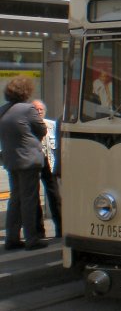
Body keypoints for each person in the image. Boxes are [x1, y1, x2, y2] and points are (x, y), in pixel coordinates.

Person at [0, 76, 48, 251]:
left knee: (15, 198)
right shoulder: (28, 109)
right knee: (29, 199)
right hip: (29, 159)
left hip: (11, 159)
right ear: (26, 92)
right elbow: (42, 129)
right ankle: (32, 239)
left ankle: (12, 238)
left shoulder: (3, 110)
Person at [31, 100, 61, 239]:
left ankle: (60, 228)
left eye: (41, 109)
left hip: (50, 163)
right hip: (34, 164)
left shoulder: (52, 125)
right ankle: (39, 230)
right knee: (34, 196)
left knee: (55, 196)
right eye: (36, 109)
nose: (39, 112)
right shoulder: (28, 126)